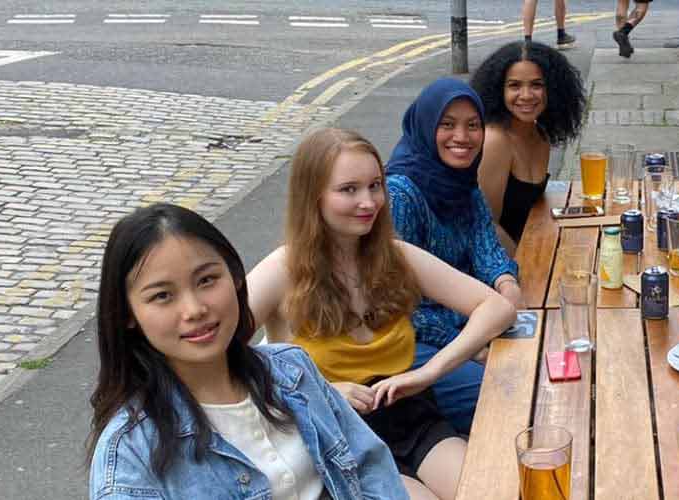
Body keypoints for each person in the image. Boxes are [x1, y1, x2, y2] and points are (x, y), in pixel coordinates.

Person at [248, 128, 516, 499]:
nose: (369, 201)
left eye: (375, 185)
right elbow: (216, 355)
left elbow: (497, 306)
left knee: (490, 492)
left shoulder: (394, 255)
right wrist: (316, 393)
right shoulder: (283, 269)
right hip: (340, 434)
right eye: (349, 189)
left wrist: (430, 371)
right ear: (313, 196)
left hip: (409, 415)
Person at [86, 203, 411, 500]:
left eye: (207, 280)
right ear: (128, 313)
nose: (194, 309)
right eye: (162, 296)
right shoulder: (130, 451)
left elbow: (372, 470)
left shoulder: (292, 371)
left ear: (236, 277)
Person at [384, 78, 522, 432]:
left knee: (538, 367)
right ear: (426, 125)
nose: (462, 136)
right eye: (447, 124)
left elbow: (486, 247)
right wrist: (470, 345)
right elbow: (397, 306)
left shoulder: (462, 181)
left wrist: (506, 284)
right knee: (508, 394)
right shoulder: (400, 195)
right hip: (413, 342)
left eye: (472, 125)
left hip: (471, 322)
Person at [471, 41, 586, 251]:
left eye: (536, 85)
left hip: (533, 247)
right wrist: (526, 268)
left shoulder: (540, 135)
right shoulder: (495, 141)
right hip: (500, 265)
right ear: (498, 90)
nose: (526, 95)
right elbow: (486, 226)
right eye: (514, 85)